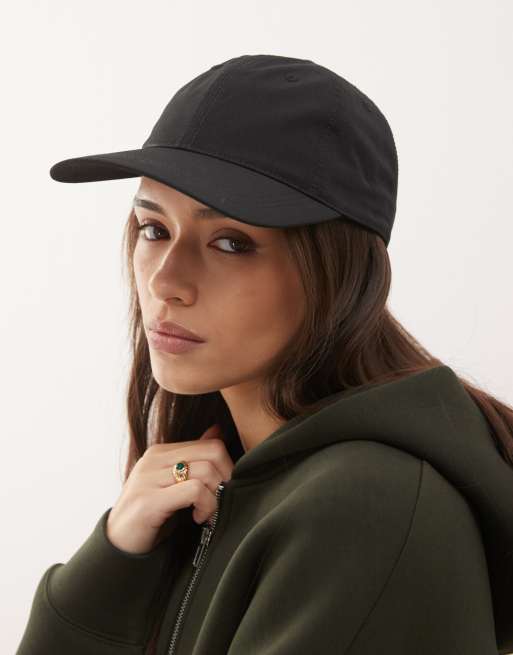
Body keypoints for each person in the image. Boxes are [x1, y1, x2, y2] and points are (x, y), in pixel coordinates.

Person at [16, 54, 513, 655]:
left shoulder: (362, 510)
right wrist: (115, 557)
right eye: (154, 230)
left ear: (338, 274)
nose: (166, 282)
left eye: (231, 243)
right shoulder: (226, 480)